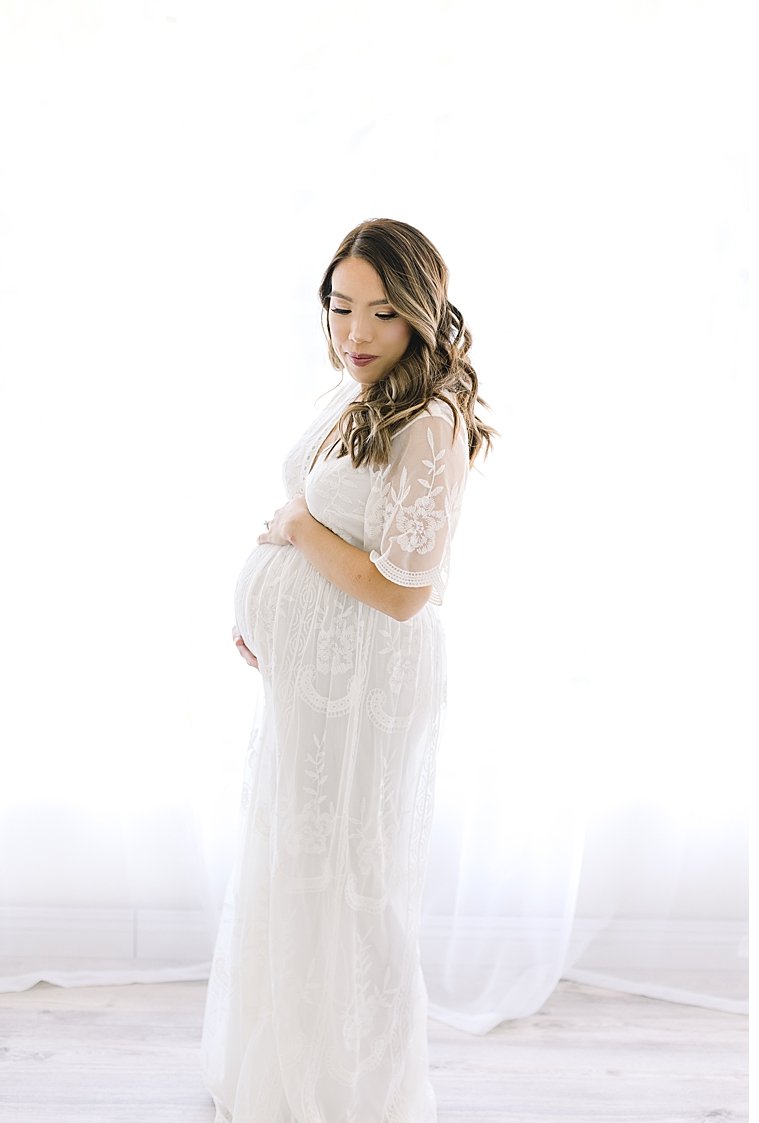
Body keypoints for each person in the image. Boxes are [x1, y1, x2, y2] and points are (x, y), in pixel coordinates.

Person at [204, 218, 495, 1122]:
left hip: (369, 683)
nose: (355, 334)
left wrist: (294, 533)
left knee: (351, 881)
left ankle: (353, 1092)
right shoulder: (357, 396)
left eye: (379, 313)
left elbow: (405, 591)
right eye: (340, 308)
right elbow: (325, 519)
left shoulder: (430, 422)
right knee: (297, 863)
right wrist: (270, 611)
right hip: (320, 679)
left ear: (420, 314)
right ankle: (290, 1071)